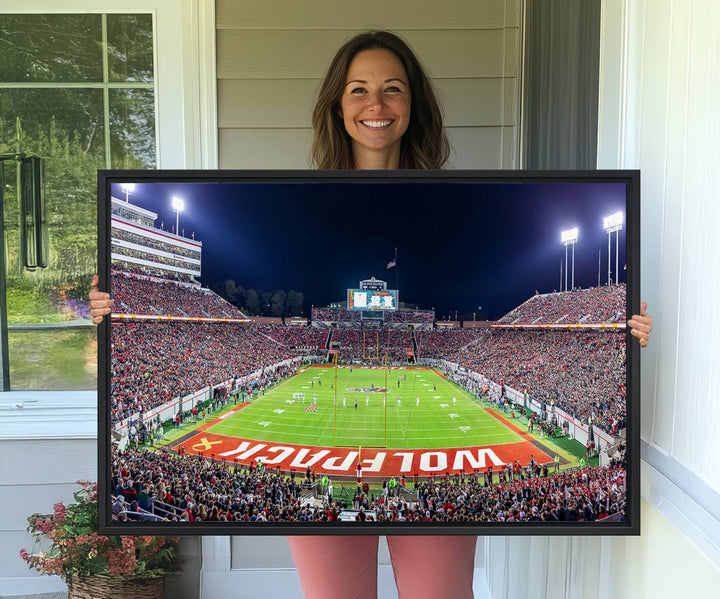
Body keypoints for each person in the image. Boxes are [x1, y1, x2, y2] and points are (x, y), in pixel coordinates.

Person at [89, 29, 653, 599]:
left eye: (393, 89)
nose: (375, 105)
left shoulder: (452, 192)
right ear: (337, 104)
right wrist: (112, 311)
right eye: (358, 89)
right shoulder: (300, 191)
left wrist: (623, 334)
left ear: (414, 104)